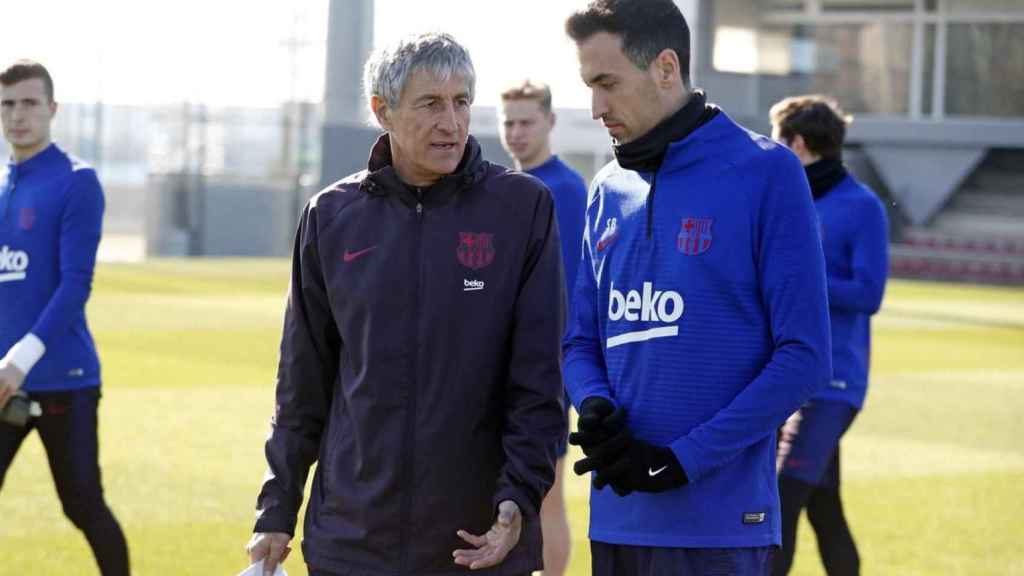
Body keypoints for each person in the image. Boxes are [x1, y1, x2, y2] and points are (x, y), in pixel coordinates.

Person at [245, 33, 566, 576]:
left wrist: (517, 501)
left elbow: (539, 380)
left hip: (479, 543)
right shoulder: (330, 215)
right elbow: (302, 383)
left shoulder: (522, 209)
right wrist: (276, 510)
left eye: (462, 102)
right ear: (382, 110)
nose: (452, 122)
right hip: (351, 542)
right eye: (431, 104)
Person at [560, 1, 833, 575]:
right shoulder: (606, 188)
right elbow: (579, 341)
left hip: (720, 530)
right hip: (615, 521)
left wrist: (679, 462)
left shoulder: (768, 173)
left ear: (665, 67)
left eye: (607, 84)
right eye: (589, 86)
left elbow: (804, 358)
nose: (595, 107)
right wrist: (596, 406)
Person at [0, 60, 130, 575]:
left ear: (52, 109)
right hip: (2, 382)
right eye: (7, 104)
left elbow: (75, 286)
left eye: (29, 103)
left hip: (63, 381)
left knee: (82, 506)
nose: (17, 115)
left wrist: (19, 361)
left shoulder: (77, 182)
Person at [769, 95, 889, 576]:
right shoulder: (793, 201)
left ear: (798, 145)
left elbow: (868, 292)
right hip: (791, 379)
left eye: (779, 142)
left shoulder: (862, 207)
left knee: (781, 500)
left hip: (834, 384)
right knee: (823, 508)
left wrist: (801, 277)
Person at [498, 78, 587, 576]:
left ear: (550, 122)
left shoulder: (566, 189)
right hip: (502, 365)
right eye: (508, 122)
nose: (516, 132)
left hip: (546, 367)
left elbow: (569, 288)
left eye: (527, 122)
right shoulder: (506, 187)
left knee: (546, 494)